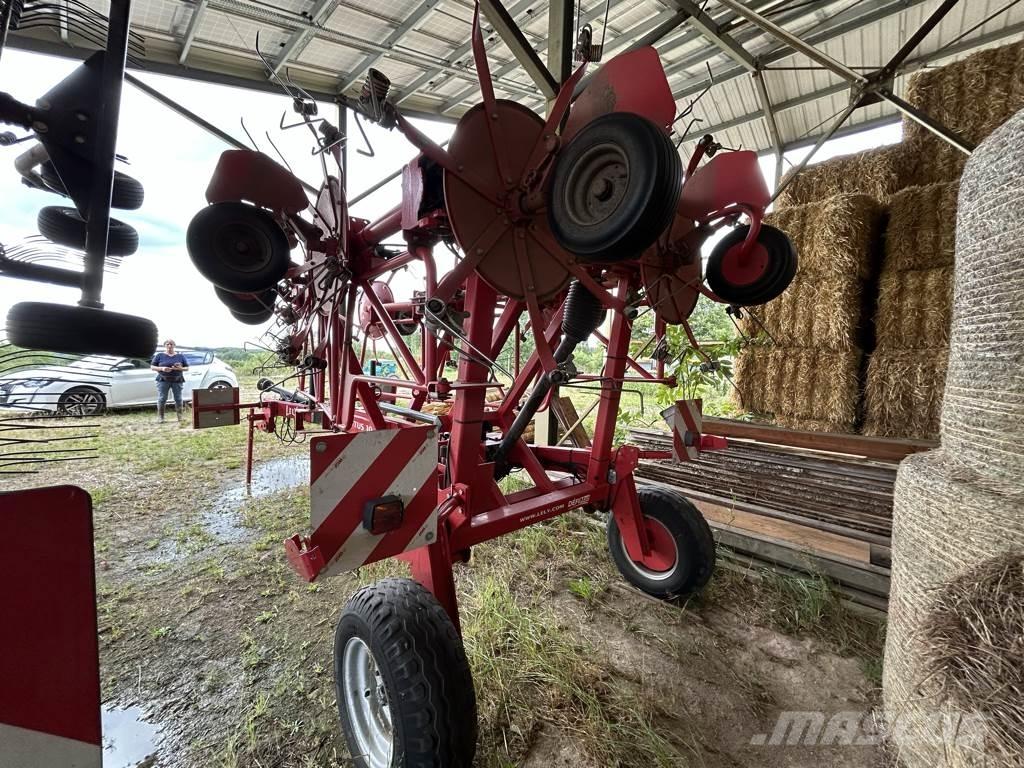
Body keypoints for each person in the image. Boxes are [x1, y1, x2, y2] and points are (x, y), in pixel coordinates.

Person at [151, 339, 189, 422]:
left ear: (174, 345)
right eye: (167, 344)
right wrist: (162, 368)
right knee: (162, 398)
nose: (169, 346)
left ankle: (180, 417)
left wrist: (180, 368)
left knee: (178, 399)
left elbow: (187, 368)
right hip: (163, 380)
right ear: (165, 345)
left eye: (171, 344)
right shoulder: (159, 355)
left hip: (177, 380)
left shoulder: (180, 356)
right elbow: (152, 367)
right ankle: (161, 418)